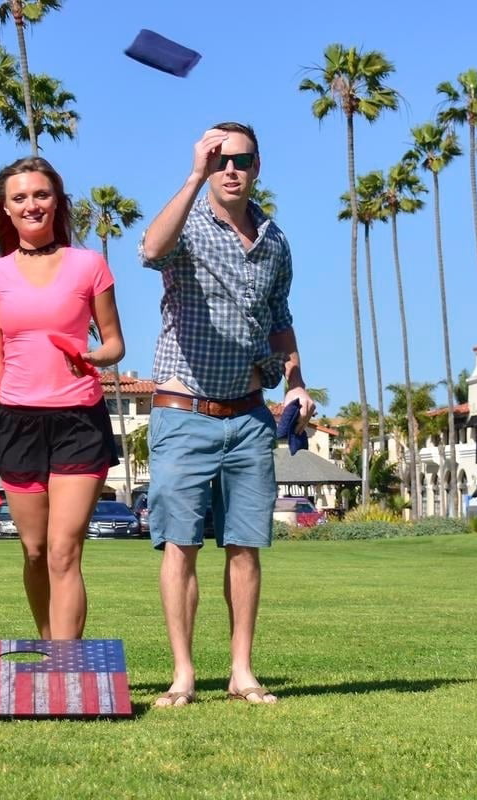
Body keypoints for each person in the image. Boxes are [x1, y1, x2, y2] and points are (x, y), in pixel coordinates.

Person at [139, 122, 315, 706]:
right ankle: (184, 674)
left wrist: (295, 382)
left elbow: (280, 318)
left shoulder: (275, 240)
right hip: (183, 408)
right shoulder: (186, 223)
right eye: (219, 160)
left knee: (245, 545)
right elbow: (151, 250)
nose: (230, 169)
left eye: (240, 160)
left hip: (248, 414)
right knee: (180, 545)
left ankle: (242, 670)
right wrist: (193, 173)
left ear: (258, 165)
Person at [0, 156, 125, 640]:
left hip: (79, 420)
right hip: (17, 423)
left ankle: (66, 666)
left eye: (41, 194)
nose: (32, 204)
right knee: (33, 550)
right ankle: (49, 641)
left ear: (57, 202)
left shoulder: (89, 265)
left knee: (63, 549)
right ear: (5, 210)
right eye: (20, 197)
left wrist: (93, 356)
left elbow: (115, 342)